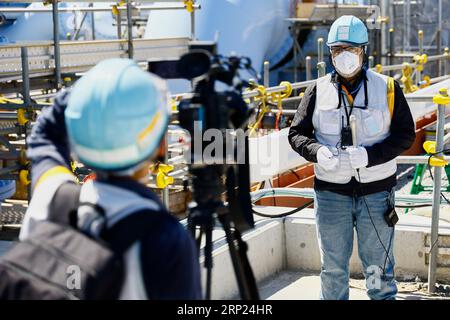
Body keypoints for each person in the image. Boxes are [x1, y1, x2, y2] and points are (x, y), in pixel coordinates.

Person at [19, 58, 202, 300]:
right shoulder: (165, 240)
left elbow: (45, 134)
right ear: (159, 145)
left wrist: (94, 97)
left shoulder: (51, 200)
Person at [288, 15, 416, 300]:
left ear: (364, 51)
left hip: (376, 194)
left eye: (352, 50)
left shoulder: (388, 88)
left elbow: (406, 134)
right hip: (331, 195)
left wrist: (370, 155)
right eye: (337, 51)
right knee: (333, 269)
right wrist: (317, 151)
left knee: (378, 270)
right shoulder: (317, 90)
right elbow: (296, 133)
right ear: (330, 53)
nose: (344, 57)